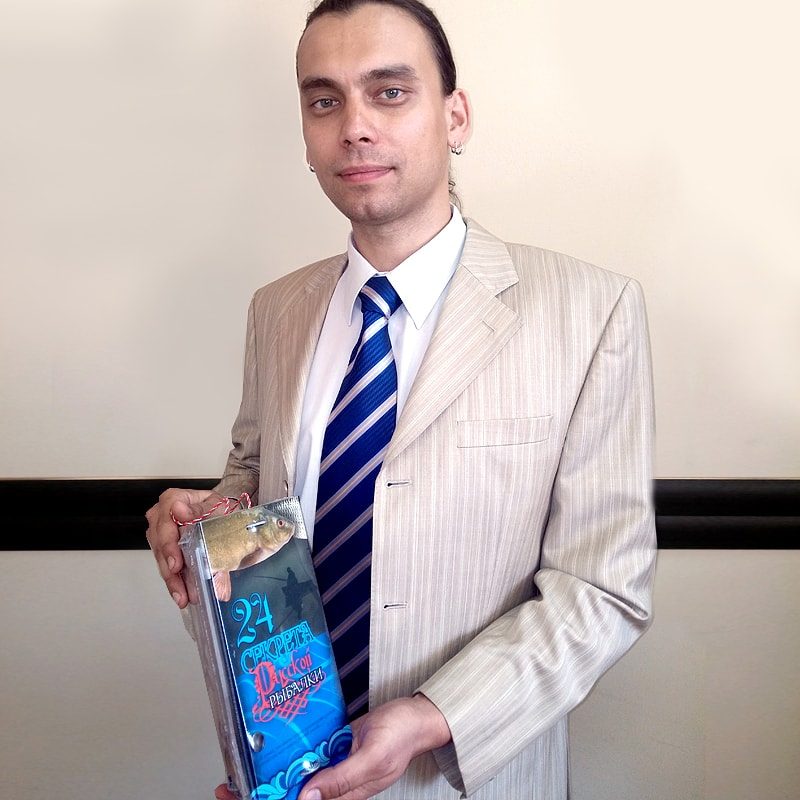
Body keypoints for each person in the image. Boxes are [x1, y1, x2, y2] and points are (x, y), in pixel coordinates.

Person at [145, 1, 657, 798]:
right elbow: (257, 486)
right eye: (325, 100)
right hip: (291, 772)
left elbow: (601, 590)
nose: (354, 126)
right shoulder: (276, 312)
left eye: (389, 92)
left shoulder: (589, 312)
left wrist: (431, 717)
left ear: (455, 116)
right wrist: (204, 519)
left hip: (472, 778)